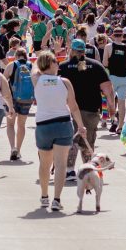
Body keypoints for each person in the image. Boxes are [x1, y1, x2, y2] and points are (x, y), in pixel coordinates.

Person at [32, 50, 88, 212]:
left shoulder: (37, 79)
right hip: (63, 124)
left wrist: (47, 54)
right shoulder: (64, 82)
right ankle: (56, 199)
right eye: (56, 61)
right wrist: (81, 126)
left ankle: (44, 196)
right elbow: (73, 106)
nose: (58, 64)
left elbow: (35, 67)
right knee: (61, 164)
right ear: (51, 64)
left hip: (43, 125)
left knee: (44, 163)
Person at [58, 39, 113, 179]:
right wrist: (111, 106)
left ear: (71, 50)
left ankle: (69, 170)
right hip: (91, 110)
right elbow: (107, 88)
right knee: (88, 140)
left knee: (71, 141)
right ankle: (87, 169)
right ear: (84, 51)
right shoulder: (96, 65)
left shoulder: (63, 66)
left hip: (69, 111)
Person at [4, 47, 36, 161]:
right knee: (21, 125)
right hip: (27, 99)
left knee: (10, 124)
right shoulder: (32, 66)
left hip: (12, 99)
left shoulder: (11, 65)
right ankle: (18, 149)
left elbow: (3, 81)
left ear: (16, 56)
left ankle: (12, 147)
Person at [101, 28, 126, 133]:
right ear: (122, 36)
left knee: (110, 102)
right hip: (124, 78)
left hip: (112, 78)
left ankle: (114, 119)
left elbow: (104, 63)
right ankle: (120, 126)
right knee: (122, 103)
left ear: (113, 36)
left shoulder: (108, 47)